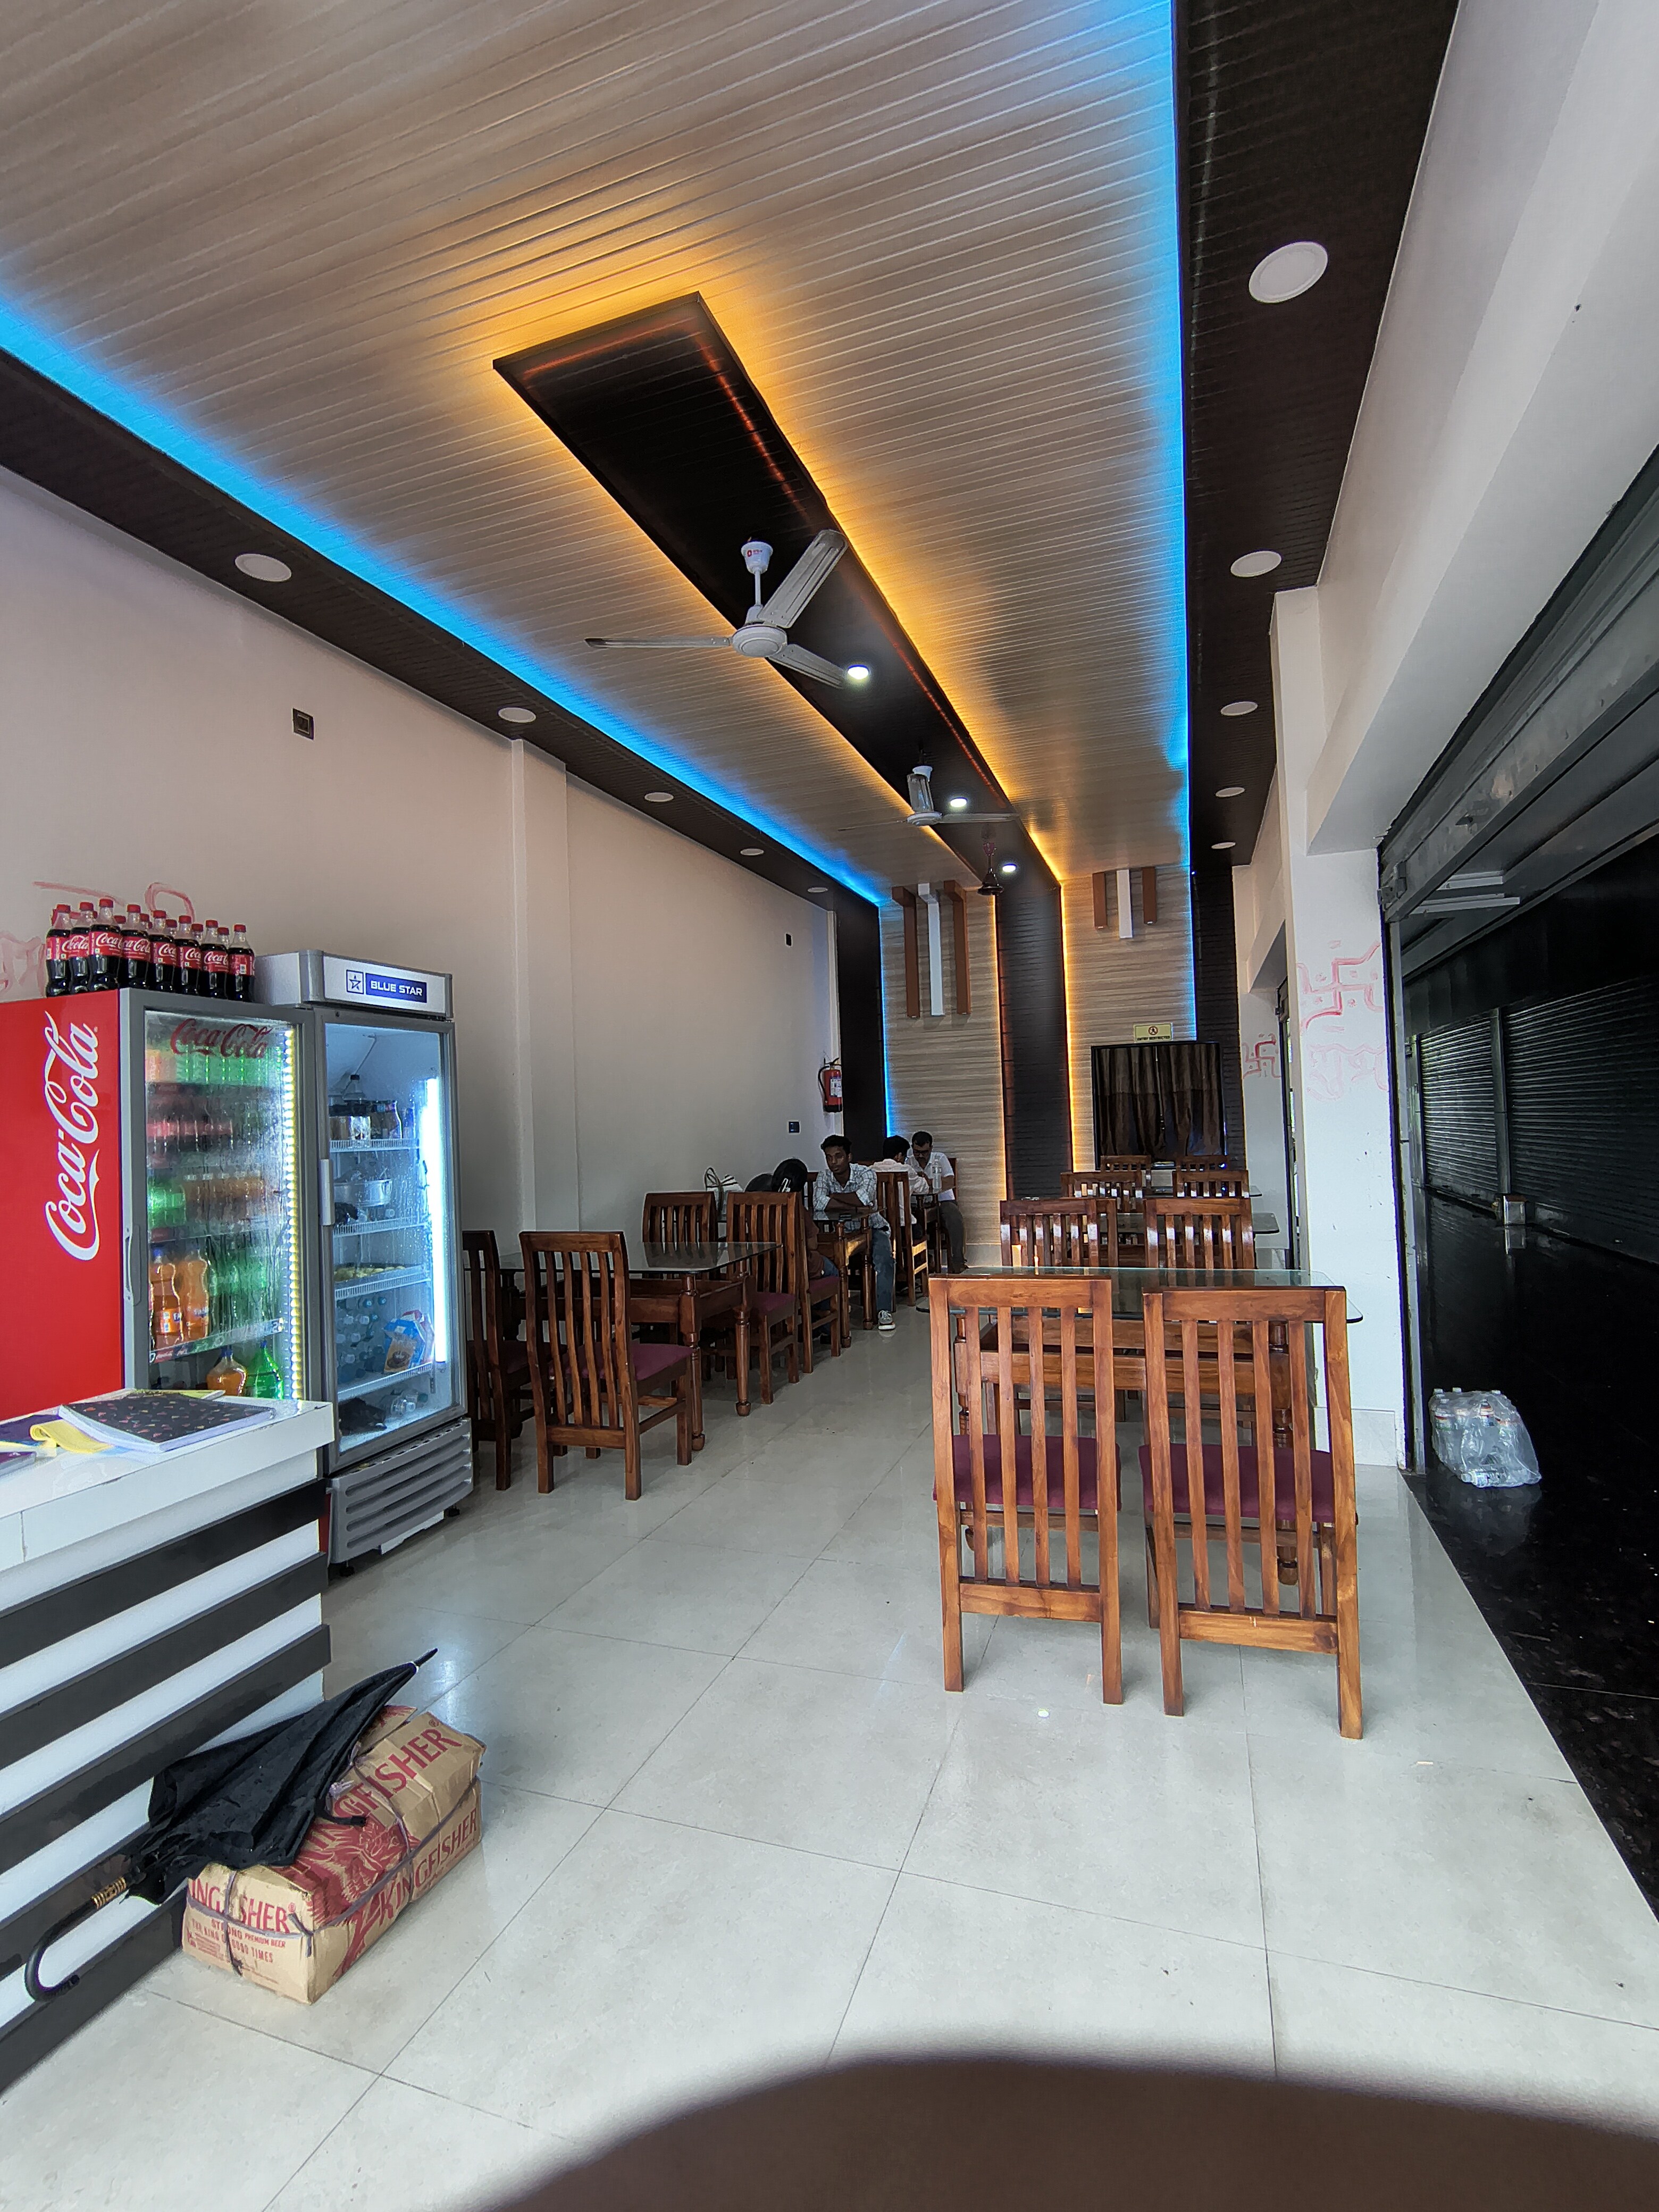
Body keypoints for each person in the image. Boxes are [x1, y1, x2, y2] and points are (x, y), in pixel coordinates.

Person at [809, 1135, 895, 1330]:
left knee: (884, 1259)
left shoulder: (866, 1173)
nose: (833, 1162)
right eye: (829, 1157)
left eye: (838, 1156)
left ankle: (884, 1311)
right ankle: (831, 1314)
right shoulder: (824, 1176)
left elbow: (864, 1199)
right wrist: (853, 1205)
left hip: (873, 1228)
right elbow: (819, 1203)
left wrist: (834, 1198)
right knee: (819, 1260)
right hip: (841, 1233)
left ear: (849, 1157)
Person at [908, 1130, 966, 1272]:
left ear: (931, 1149)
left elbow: (950, 1181)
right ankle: (921, 1262)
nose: (920, 1156)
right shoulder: (908, 1161)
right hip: (916, 1203)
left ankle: (958, 1261)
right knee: (904, 1218)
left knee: (954, 1217)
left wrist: (928, 1182)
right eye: (917, 1152)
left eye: (924, 1152)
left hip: (942, 1201)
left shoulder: (940, 1158)